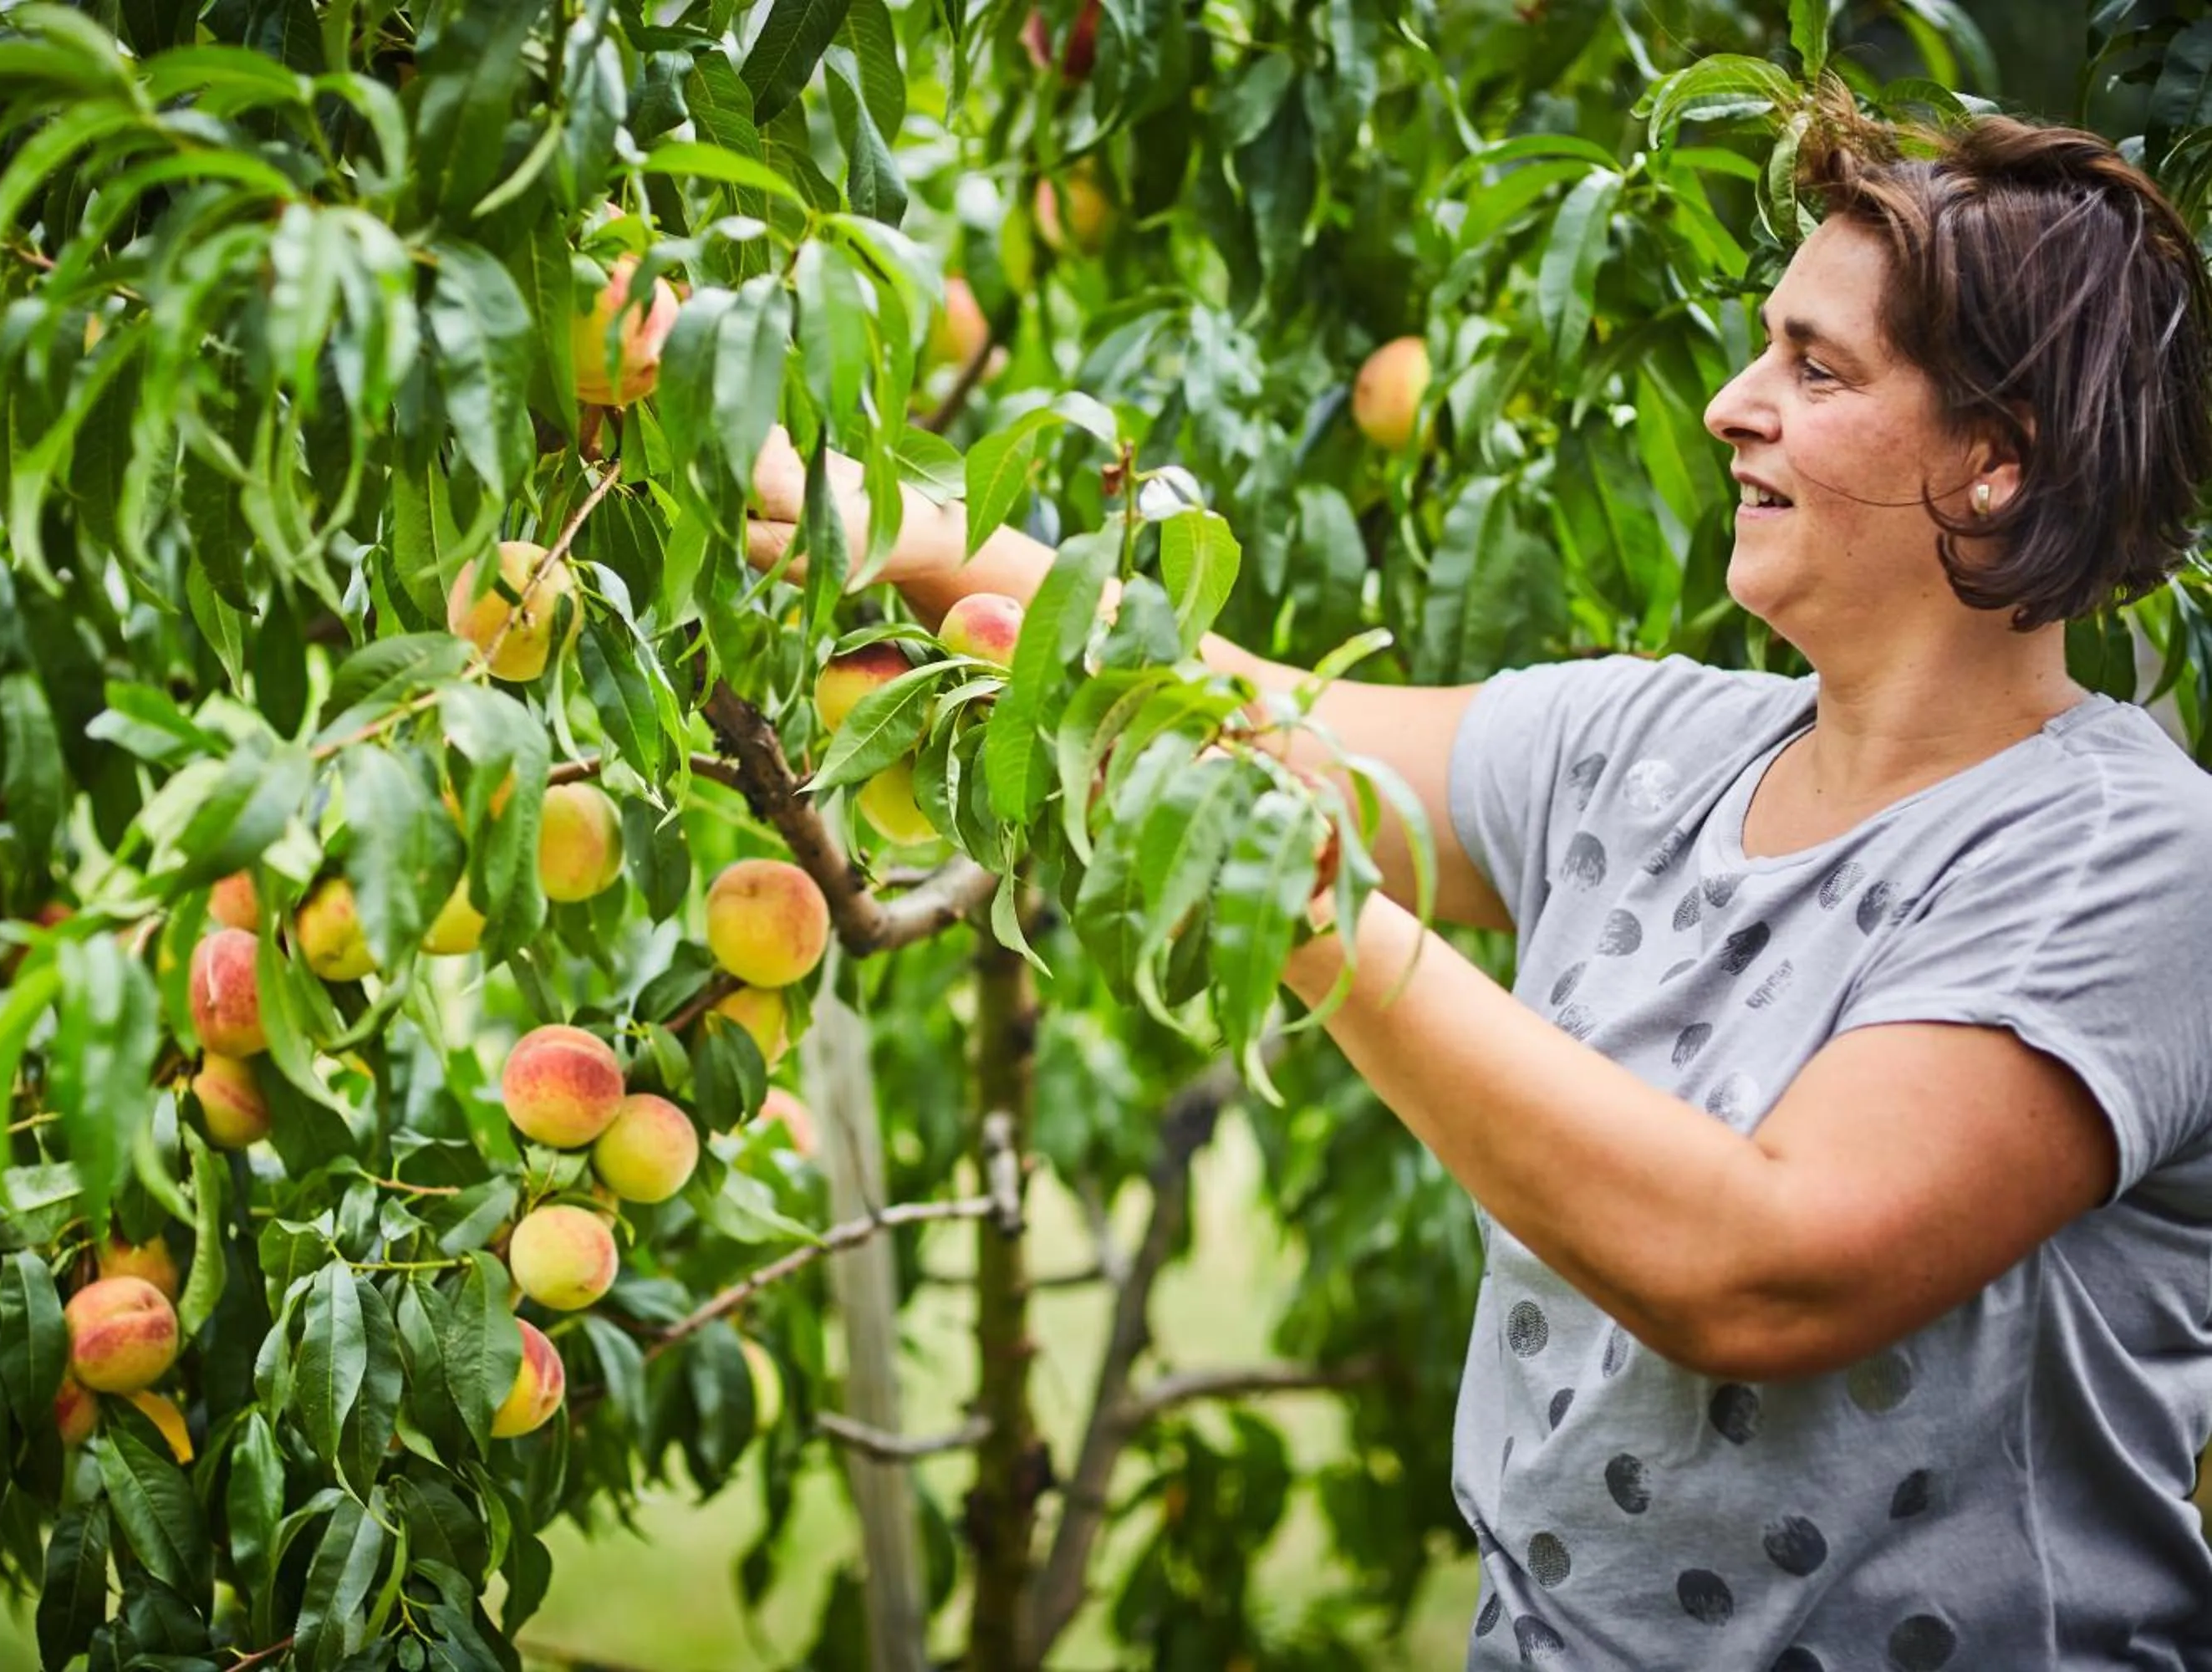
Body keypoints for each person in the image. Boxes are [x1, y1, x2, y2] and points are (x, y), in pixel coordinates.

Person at [746, 94, 2212, 1670]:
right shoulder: (1639, 749)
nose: (1731, 405)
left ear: (1995, 461)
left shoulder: (2125, 860)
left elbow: (1763, 1272)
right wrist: (895, 531)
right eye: (1761, 350)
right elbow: (1246, 720)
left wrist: (1303, 912)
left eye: (1817, 368)